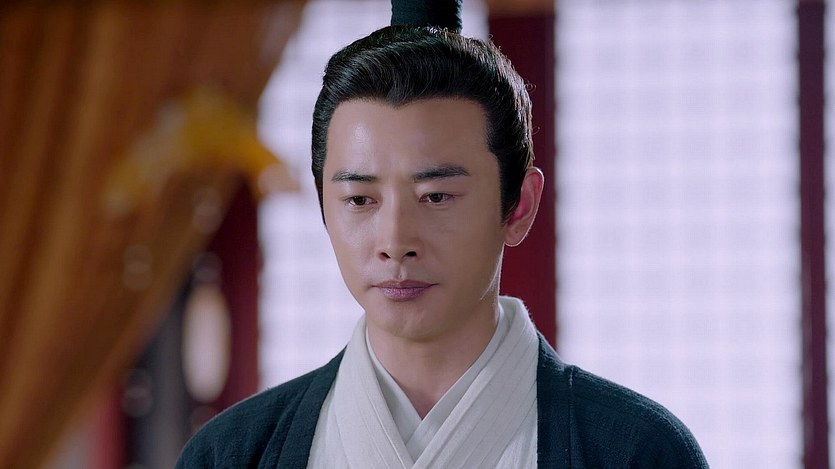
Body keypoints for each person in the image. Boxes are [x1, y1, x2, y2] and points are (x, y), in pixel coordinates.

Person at [177, 2, 709, 467]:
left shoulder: (634, 451)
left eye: (436, 196)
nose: (395, 241)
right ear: (323, 206)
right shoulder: (233, 454)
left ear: (519, 206)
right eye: (360, 200)